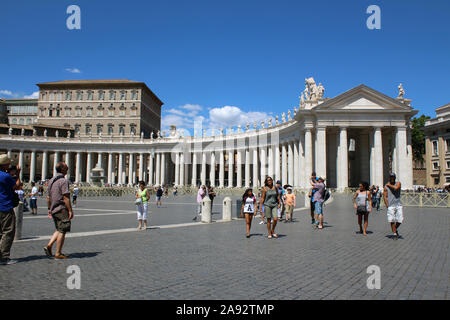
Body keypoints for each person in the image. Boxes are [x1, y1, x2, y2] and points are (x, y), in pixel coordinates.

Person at [44, 162, 74, 259]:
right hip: (61, 209)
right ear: (62, 170)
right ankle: (58, 253)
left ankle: (49, 245)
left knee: (58, 229)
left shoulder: (51, 180)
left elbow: (48, 197)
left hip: (53, 208)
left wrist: (49, 209)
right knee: (63, 230)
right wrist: (70, 210)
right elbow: (66, 197)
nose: (68, 169)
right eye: (66, 168)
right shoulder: (63, 181)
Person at [0, 154, 21, 265]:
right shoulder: (5, 176)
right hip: (5, 207)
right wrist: (18, 174)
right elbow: (17, 186)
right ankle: (4, 257)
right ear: (5, 164)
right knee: (8, 231)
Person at [383, 173, 403, 240]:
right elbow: (385, 196)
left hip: (398, 205)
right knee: (391, 220)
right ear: (389, 178)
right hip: (391, 205)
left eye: (393, 177)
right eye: (391, 177)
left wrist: (388, 185)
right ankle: (394, 233)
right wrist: (387, 205)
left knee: (400, 220)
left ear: (395, 178)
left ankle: (394, 229)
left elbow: (396, 188)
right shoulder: (386, 187)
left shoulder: (398, 183)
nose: (392, 178)